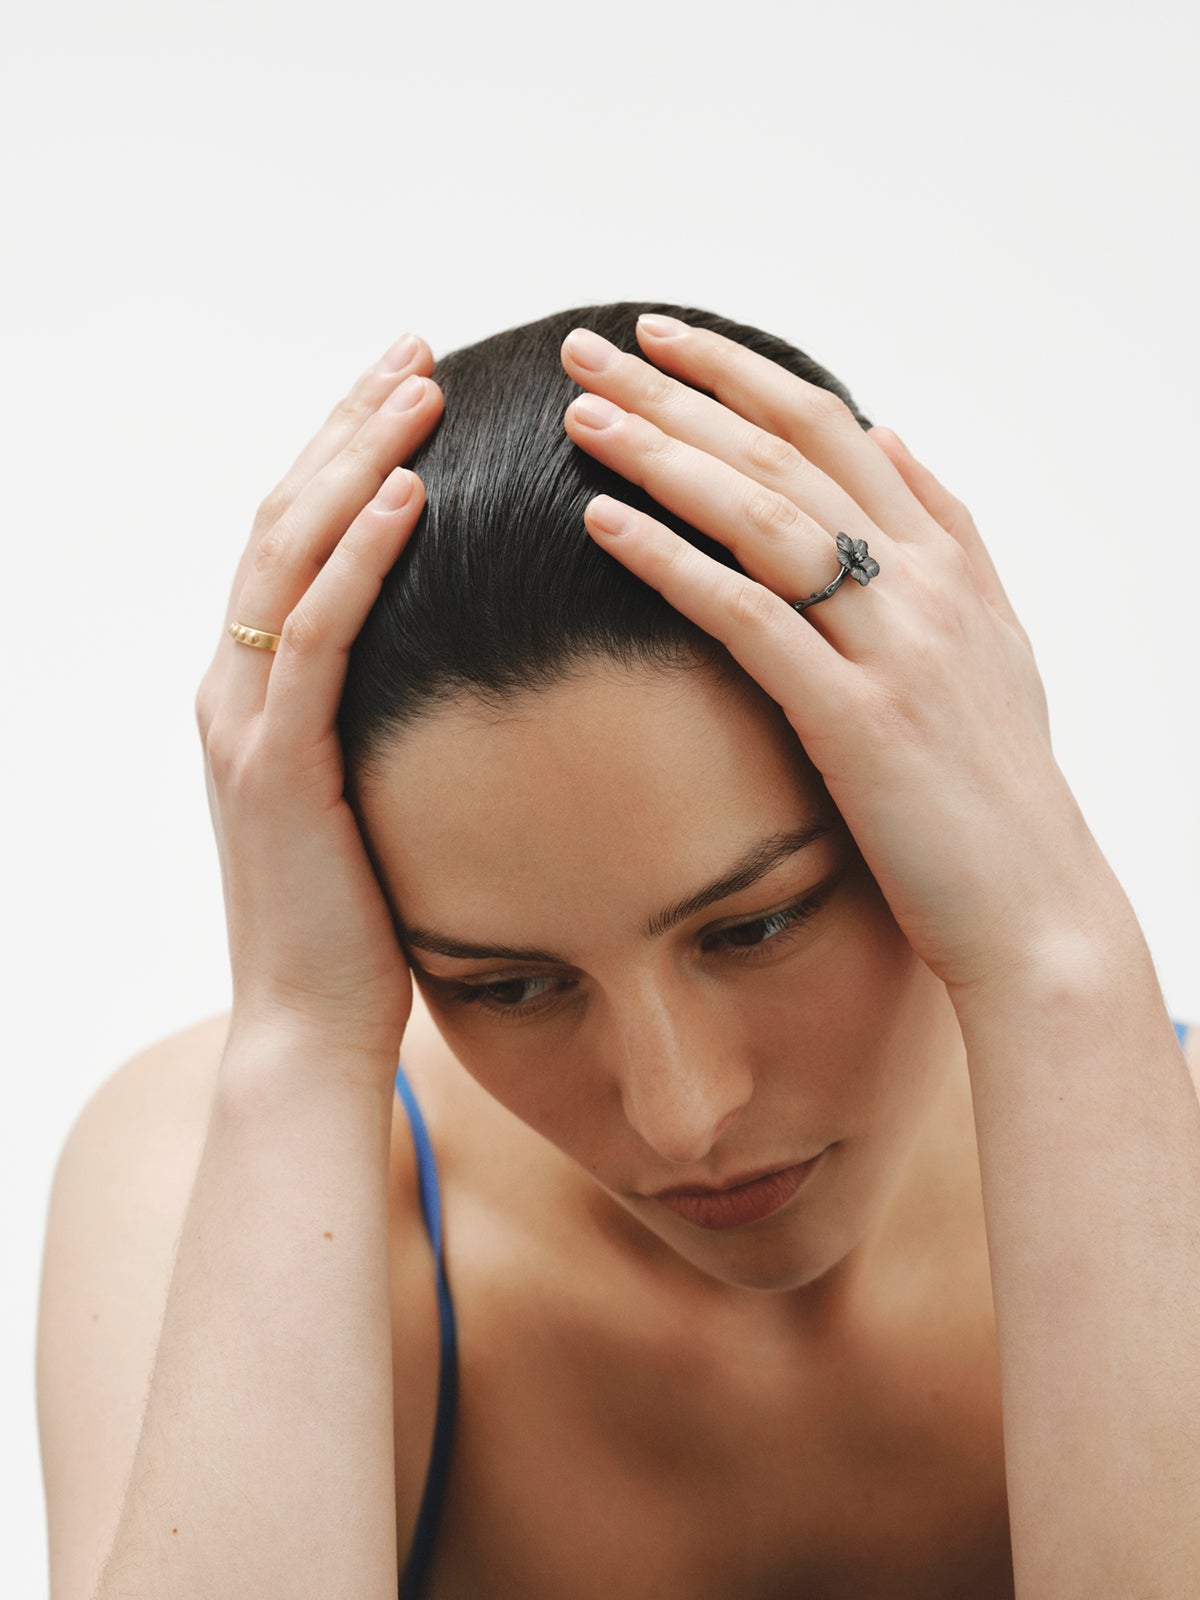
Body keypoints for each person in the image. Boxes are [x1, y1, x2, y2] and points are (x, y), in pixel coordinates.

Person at [36, 301, 1200, 1600]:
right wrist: (303, 1034)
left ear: (943, 792)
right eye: (510, 985)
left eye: (754, 925)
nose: (684, 1112)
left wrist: (1056, 945)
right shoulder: (229, 1176)